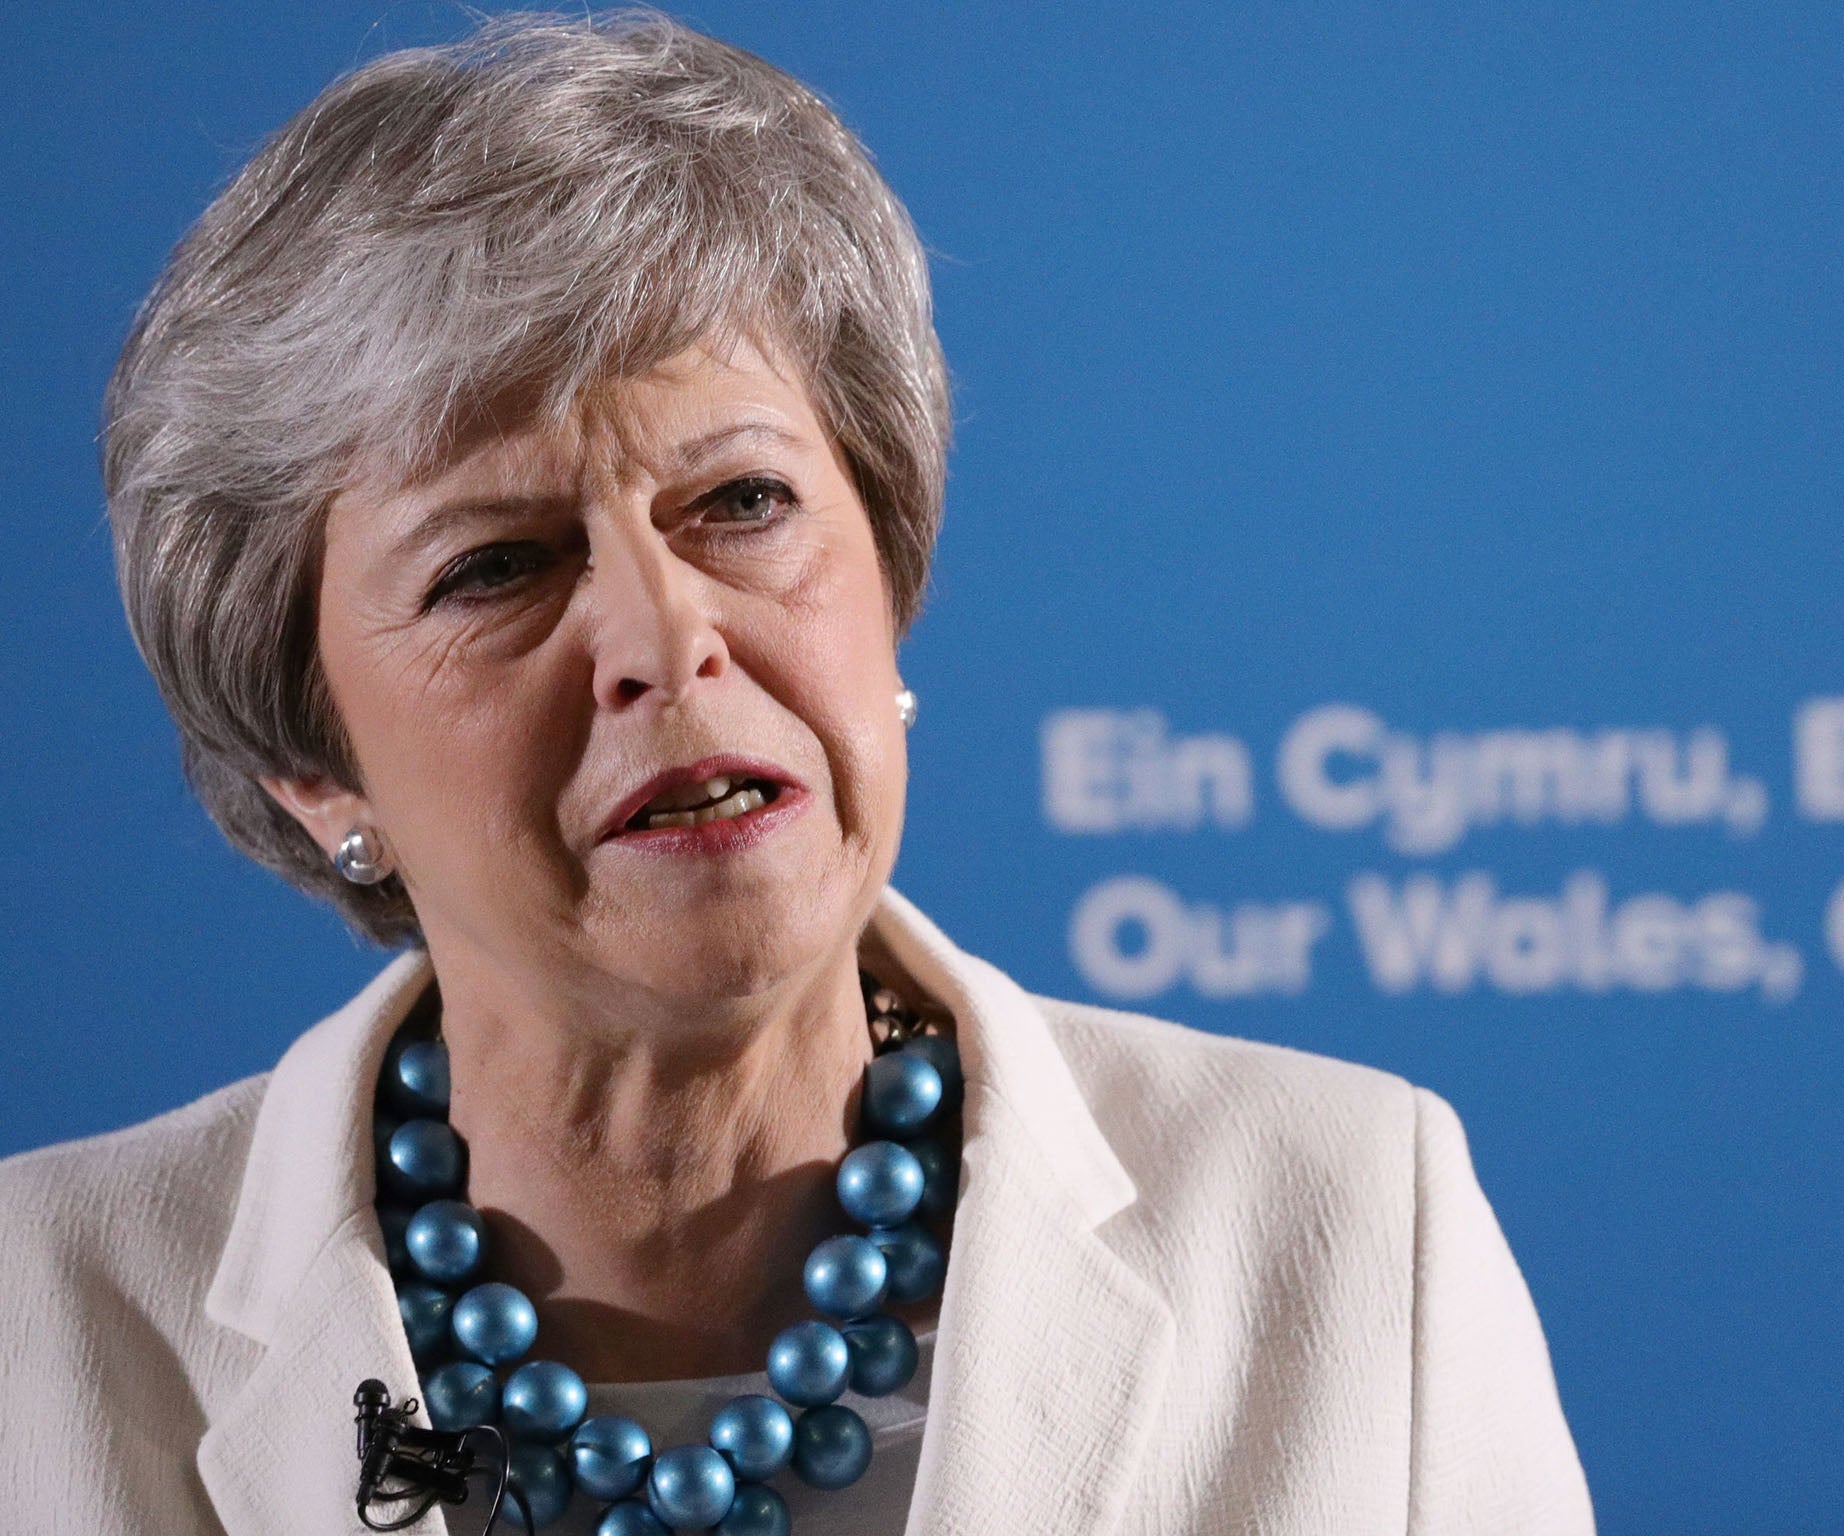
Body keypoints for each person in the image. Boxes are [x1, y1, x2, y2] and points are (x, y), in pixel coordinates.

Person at [0, 11, 1594, 1534]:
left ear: (886, 578)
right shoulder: (37, 1325)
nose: (665, 633)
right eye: (495, 567)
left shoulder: (1352, 1227)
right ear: (311, 765)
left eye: (742, 502)